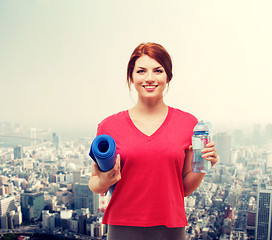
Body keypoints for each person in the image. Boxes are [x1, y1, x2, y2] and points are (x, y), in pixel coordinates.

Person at [89, 42, 218, 240]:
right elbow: (95, 183)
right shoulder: (109, 126)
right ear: (131, 77)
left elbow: (183, 189)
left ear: (168, 76)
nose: (149, 78)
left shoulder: (188, 124)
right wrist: (105, 180)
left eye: (158, 70)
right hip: (122, 228)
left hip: (171, 229)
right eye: (141, 71)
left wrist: (203, 166)